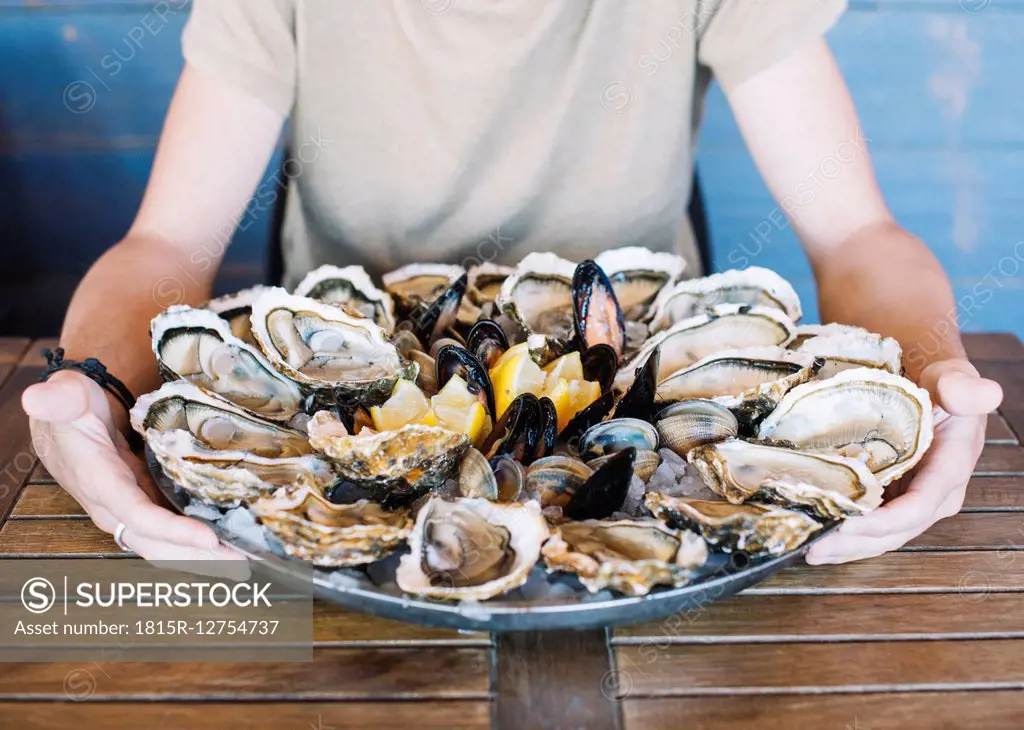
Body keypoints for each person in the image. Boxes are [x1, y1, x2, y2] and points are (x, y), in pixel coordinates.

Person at [21, 0, 1002, 564]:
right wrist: (95, 396)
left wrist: (927, 377)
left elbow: (856, 235)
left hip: (653, 463)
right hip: (356, 474)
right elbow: (166, 246)